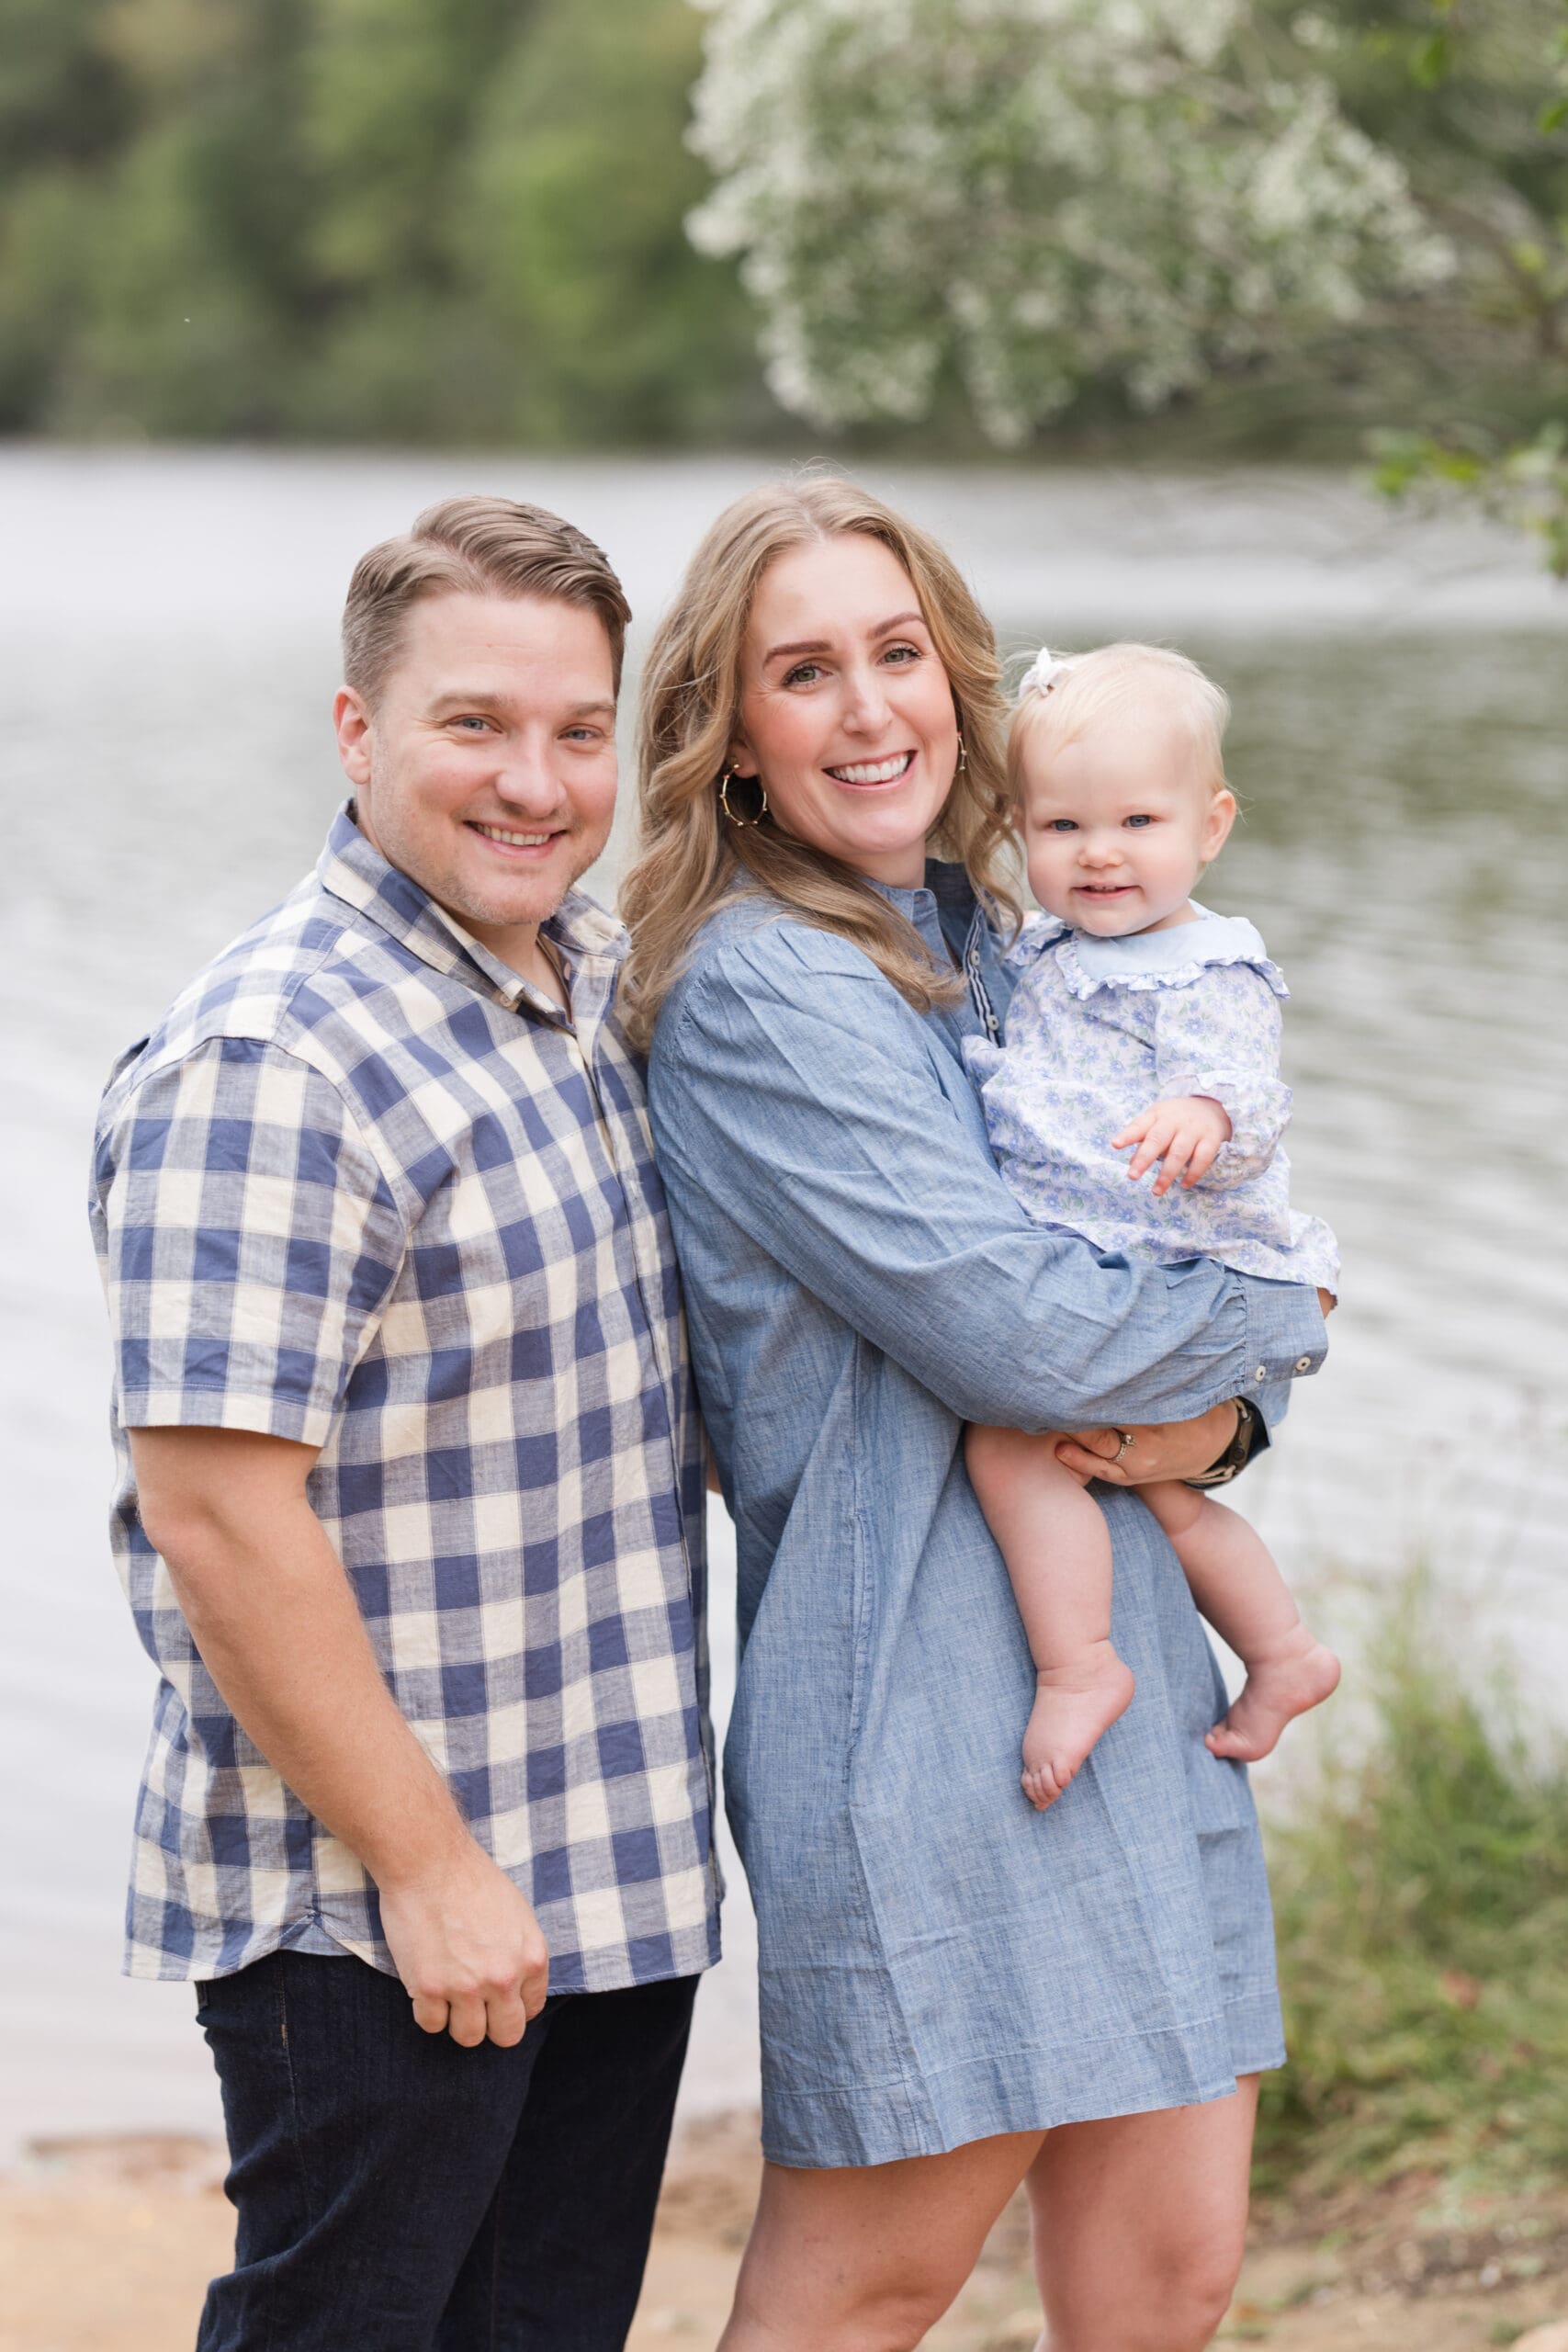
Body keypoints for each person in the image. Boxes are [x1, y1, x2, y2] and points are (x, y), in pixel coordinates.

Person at [618, 476, 1334, 2352]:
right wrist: (1275, 1317)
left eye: (896, 651)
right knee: (863, 2290)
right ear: (734, 736)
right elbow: (1028, 1331)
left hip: (1126, 1671)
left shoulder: (989, 936)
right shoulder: (765, 985)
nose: (867, 707)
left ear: (959, 683)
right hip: (924, 1711)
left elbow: (1150, 1267)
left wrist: (1220, 1422)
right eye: (801, 671)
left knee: (1164, 2270)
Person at [89, 496, 719, 2352]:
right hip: (380, 1908)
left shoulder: (579, 981)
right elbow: (217, 1519)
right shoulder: (274, 1056)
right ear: (359, 731)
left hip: (604, 1864)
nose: (534, 779)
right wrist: (431, 1873)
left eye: (577, 729)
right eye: (473, 724)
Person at [964, 640, 1341, 1810]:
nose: (1102, 853)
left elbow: (1254, 1095)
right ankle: (1283, 1652)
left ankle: (1080, 1665)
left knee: (1011, 1448)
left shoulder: (1205, 968)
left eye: (1137, 818)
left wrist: (1204, 1113)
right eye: (1064, 827)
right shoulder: (1043, 950)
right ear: (1022, 831)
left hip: (1179, 1249)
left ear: (1211, 825)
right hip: (1112, 1252)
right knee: (1167, 1496)